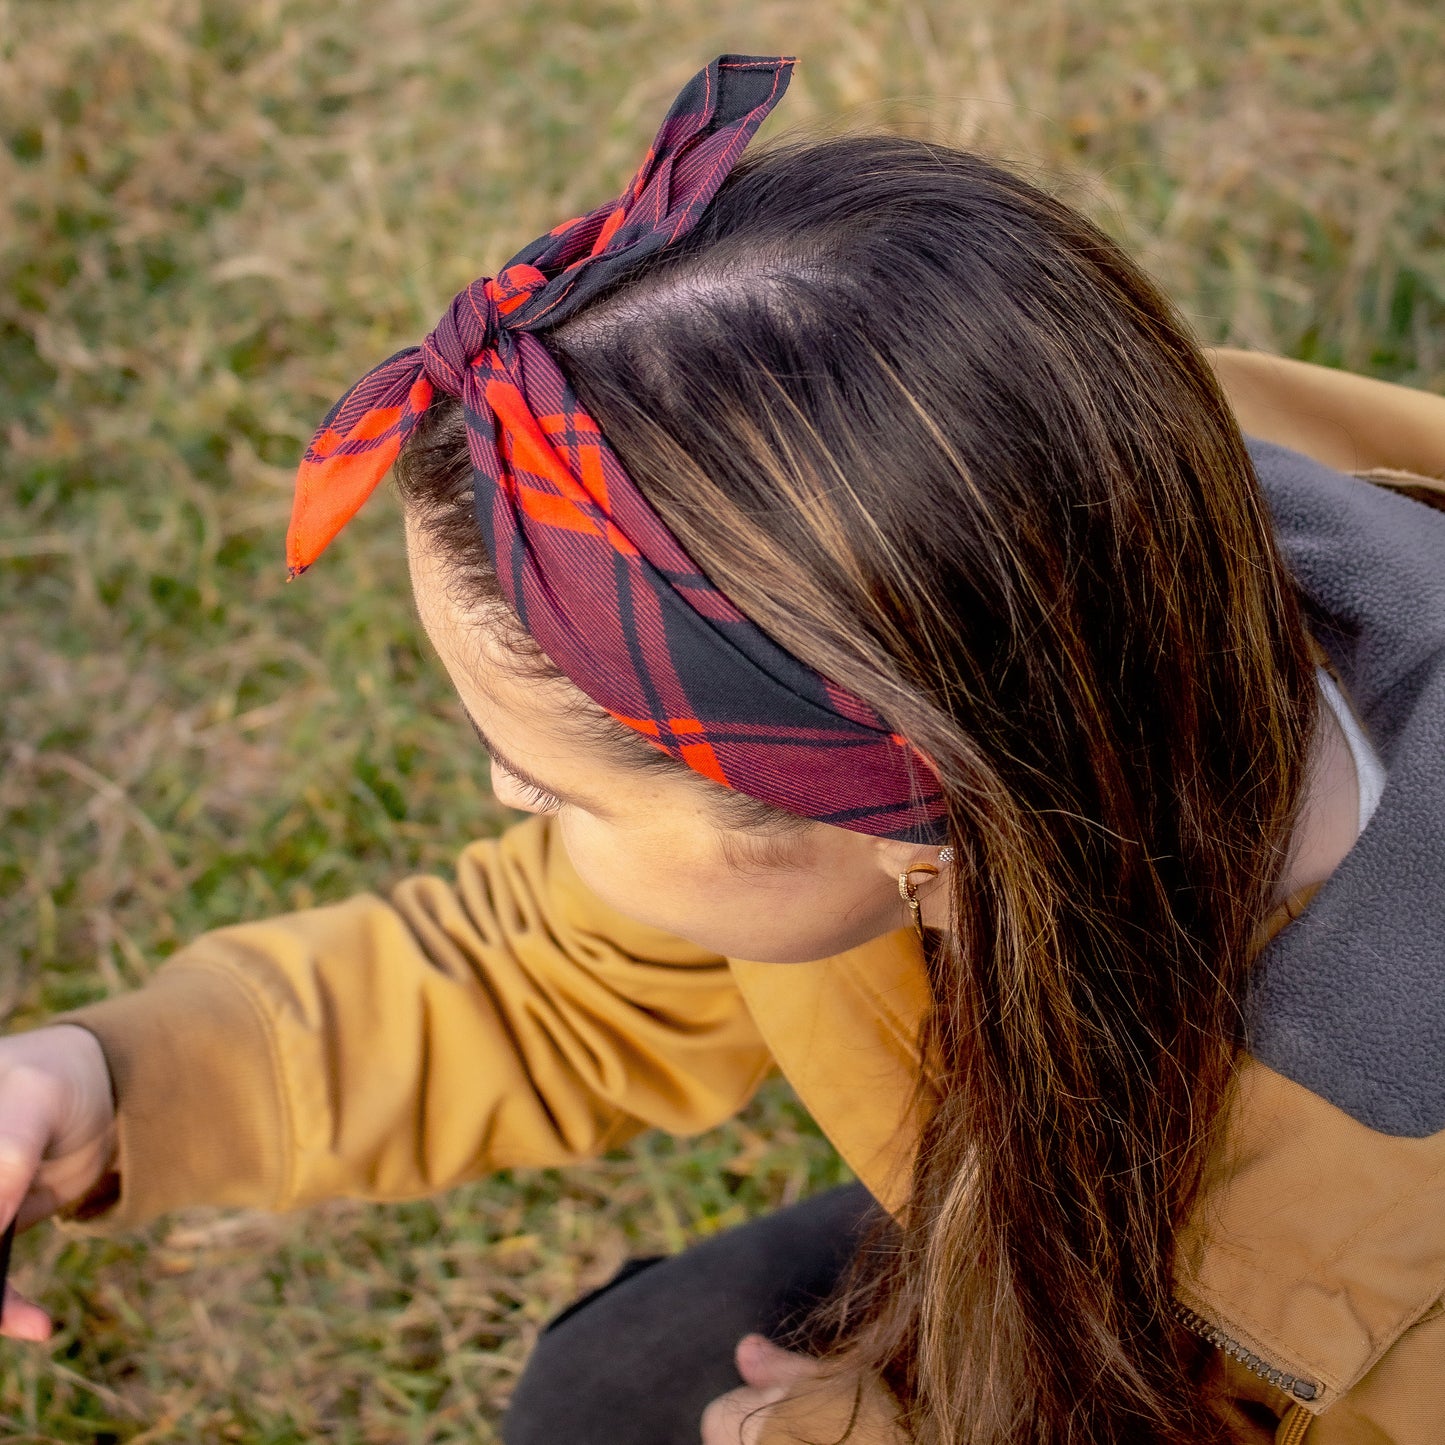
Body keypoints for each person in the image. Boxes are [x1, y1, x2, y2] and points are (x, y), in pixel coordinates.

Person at [1, 52, 1443, 1445]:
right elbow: (567, 970)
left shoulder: (1412, 1261)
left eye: (554, 787)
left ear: (894, 830)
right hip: (1082, 1230)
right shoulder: (990, 550)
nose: (504, 791)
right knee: (613, 1392)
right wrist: (105, 1079)